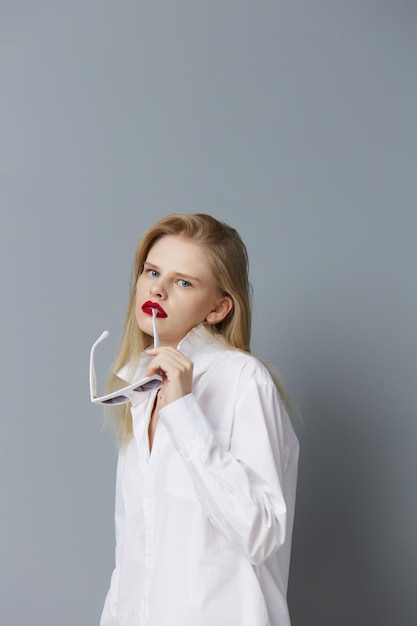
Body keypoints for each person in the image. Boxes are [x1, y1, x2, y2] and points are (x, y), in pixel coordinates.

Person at [92, 213, 299, 626]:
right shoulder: (138, 386)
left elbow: (260, 532)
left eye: (183, 282)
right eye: (152, 271)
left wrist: (184, 411)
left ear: (218, 308)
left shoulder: (243, 380)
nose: (158, 289)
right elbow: (132, 552)